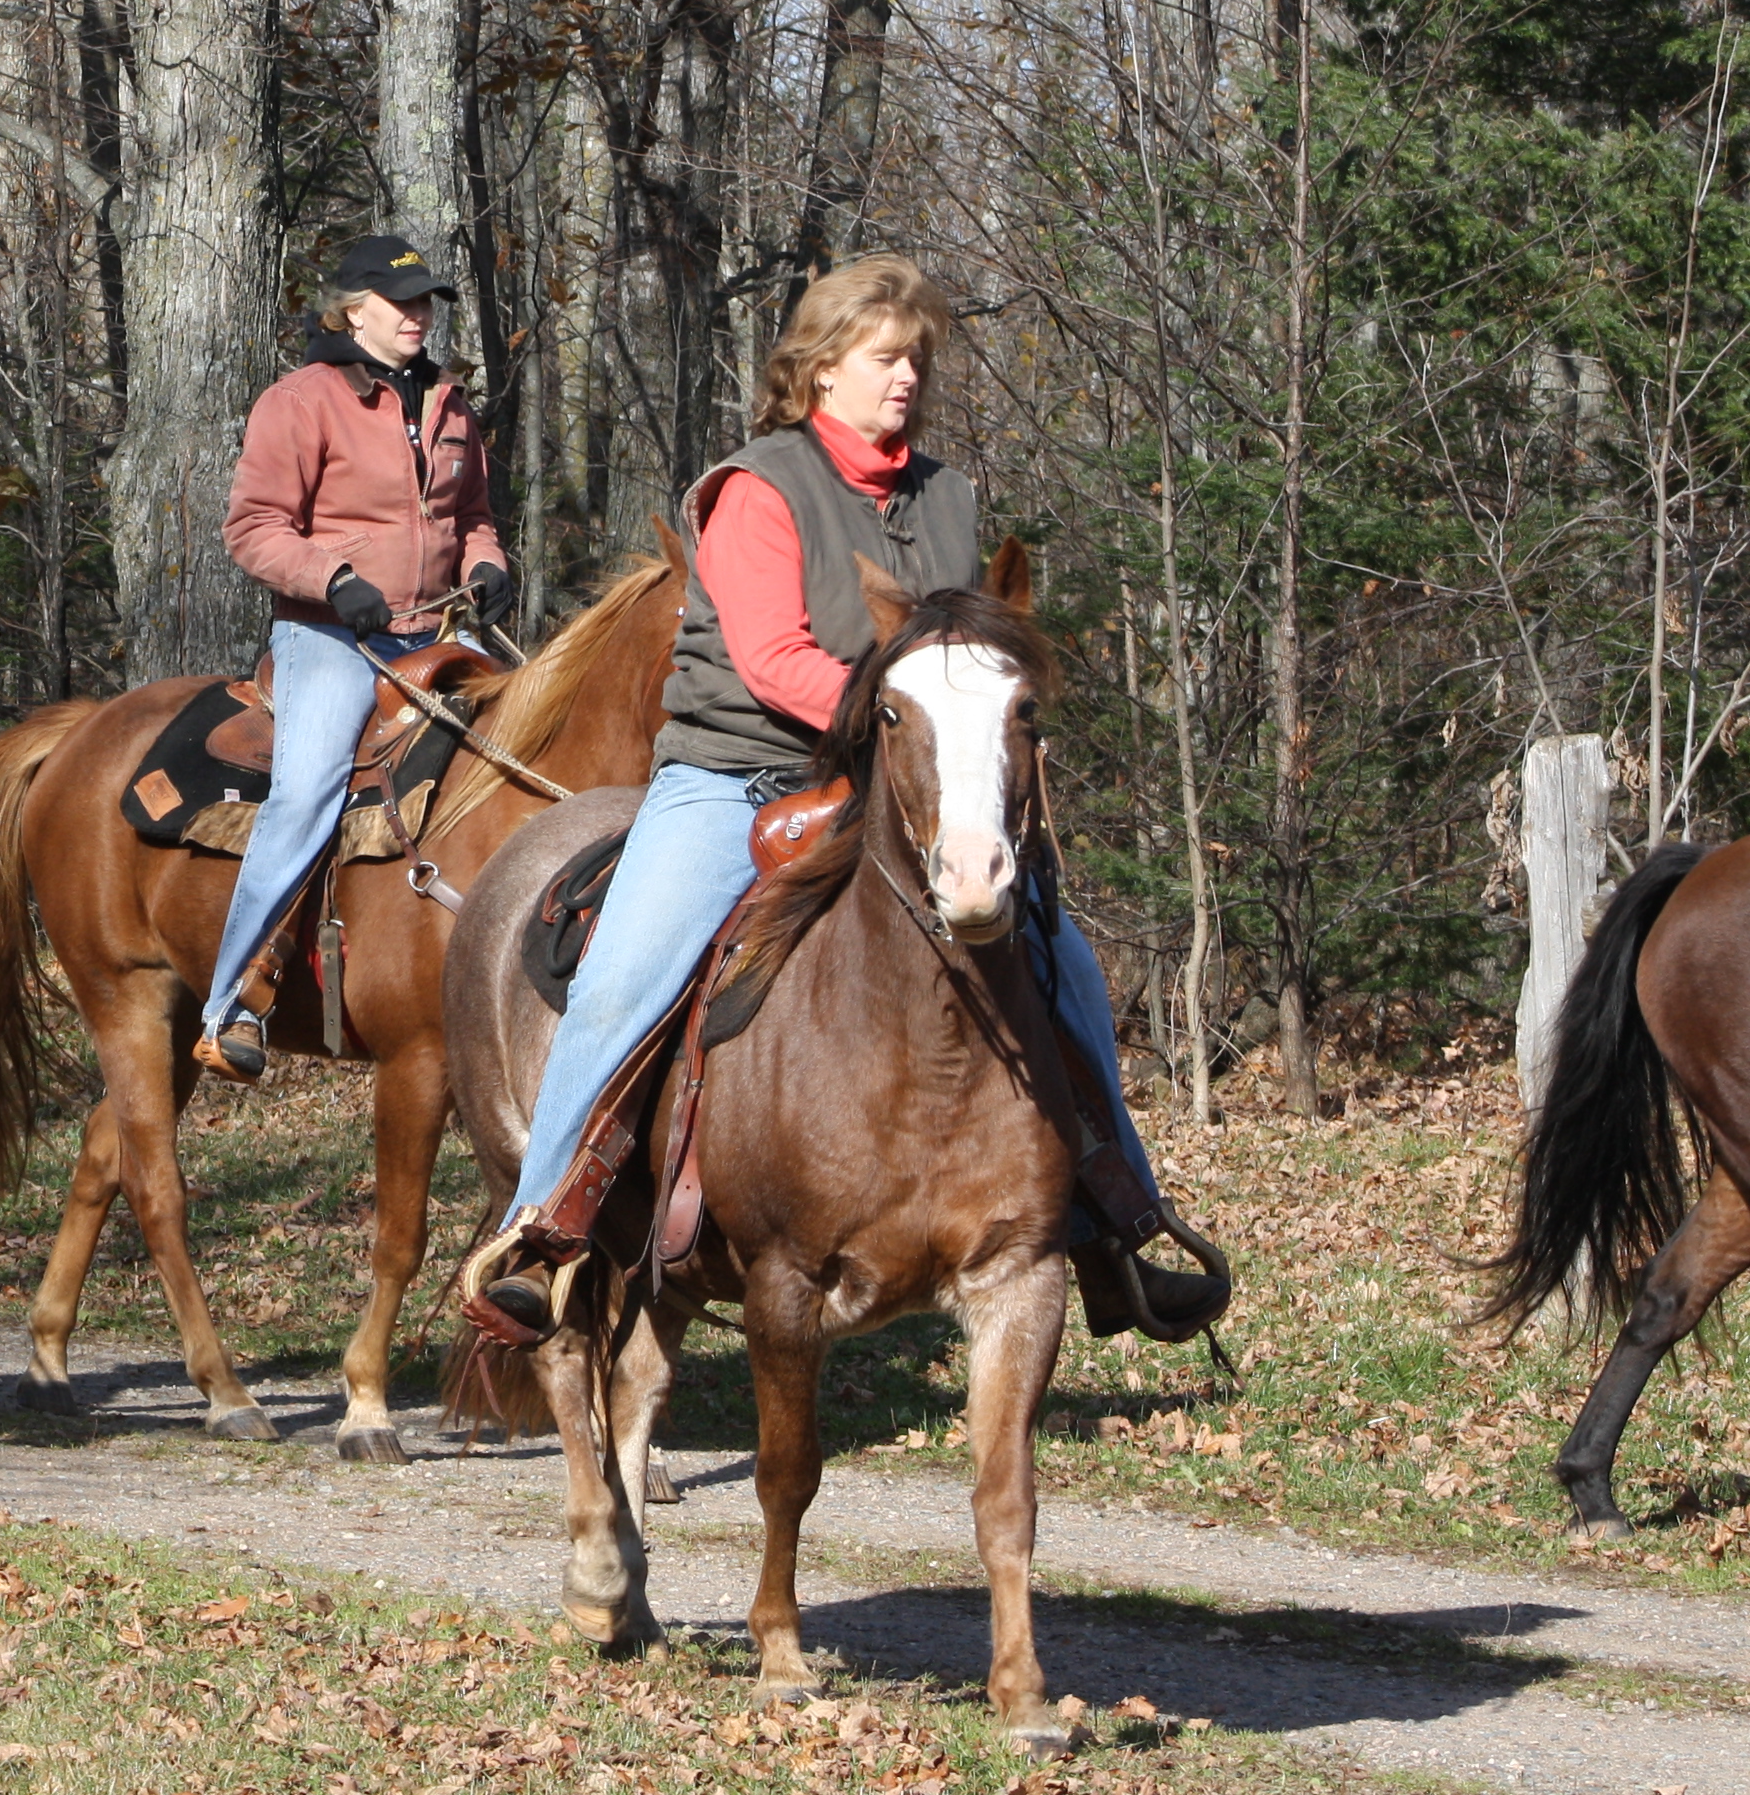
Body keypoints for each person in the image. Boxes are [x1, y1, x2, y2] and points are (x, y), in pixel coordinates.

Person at [462, 253, 1223, 1345]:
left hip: (892, 786)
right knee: (628, 971)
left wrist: (949, 735)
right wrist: (902, 717)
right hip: (737, 778)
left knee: (1064, 964)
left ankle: (1118, 1223)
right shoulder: (757, 488)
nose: (906, 377)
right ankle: (548, 1224)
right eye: (884, 358)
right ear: (820, 370)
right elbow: (774, 660)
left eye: (917, 358)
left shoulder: (947, 497)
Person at [196, 234, 512, 1082]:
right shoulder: (300, 401)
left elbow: (473, 514)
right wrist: (333, 580)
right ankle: (231, 1002)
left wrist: (487, 567)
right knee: (306, 791)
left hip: (438, 626)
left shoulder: (449, 400)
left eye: (426, 303)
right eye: (401, 303)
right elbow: (252, 528)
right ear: (353, 310)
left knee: (531, 740)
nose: (418, 317)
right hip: (333, 634)